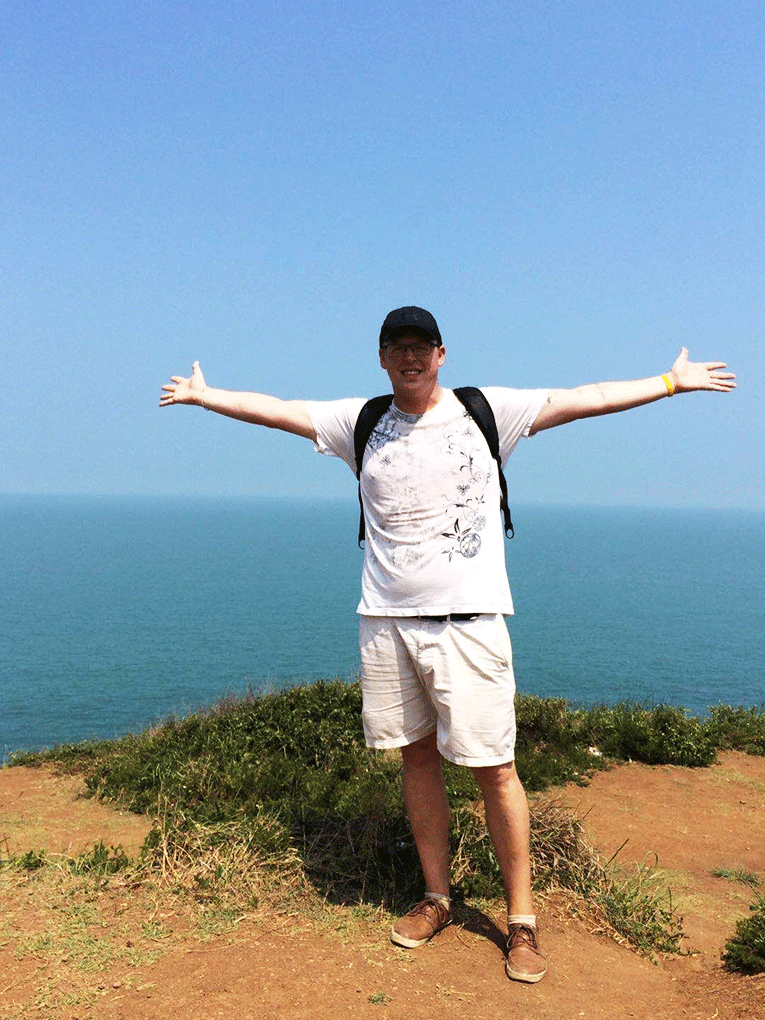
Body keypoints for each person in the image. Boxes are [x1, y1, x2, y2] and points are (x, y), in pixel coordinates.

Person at [160, 306, 735, 983]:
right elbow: (281, 412)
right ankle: (436, 896)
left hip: (468, 621)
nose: (409, 357)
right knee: (416, 759)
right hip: (386, 621)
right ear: (381, 357)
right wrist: (206, 397)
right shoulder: (362, 422)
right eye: (396, 347)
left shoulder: (486, 410)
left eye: (420, 347)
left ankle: (521, 922)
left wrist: (668, 383)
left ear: (441, 354)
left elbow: (581, 401)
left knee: (494, 769)